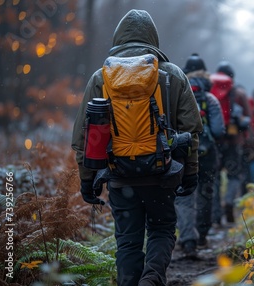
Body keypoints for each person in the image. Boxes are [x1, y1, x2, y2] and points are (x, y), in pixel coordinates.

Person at [71, 9, 202, 286]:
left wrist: (87, 181)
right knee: (162, 228)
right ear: (153, 38)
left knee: (128, 241)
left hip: (119, 175)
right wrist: (190, 173)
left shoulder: (100, 78)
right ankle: (152, 278)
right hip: (161, 173)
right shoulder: (173, 75)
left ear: (119, 37)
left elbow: (84, 135)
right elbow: (191, 130)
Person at [175, 53, 225, 257]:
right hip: (206, 154)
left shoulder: (178, 95)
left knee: (184, 197)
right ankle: (202, 235)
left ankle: (188, 240)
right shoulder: (211, 99)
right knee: (206, 193)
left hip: (182, 152)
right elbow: (219, 130)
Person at [210, 61, 251, 224]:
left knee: (216, 177)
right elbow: (248, 119)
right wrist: (247, 140)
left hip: (216, 141)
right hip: (234, 142)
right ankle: (229, 201)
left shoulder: (210, 91)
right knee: (234, 175)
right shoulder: (239, 93)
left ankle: (216, 215)